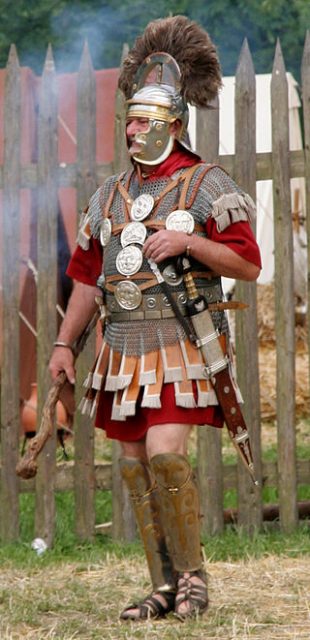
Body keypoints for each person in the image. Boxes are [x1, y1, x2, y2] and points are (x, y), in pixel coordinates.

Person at [49, 15, 261, 621]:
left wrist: (188, 242)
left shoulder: (204, 184)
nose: (132, 131)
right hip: (122, 348)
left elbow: (248, 263)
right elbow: (88, 278)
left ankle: (194, 579)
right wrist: (64, 344)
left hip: (182, 342)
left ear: (171, 125)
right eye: (129, 121)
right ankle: (162, 584)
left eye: (142, 122)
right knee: (135, 466)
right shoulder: (109, 196)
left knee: (167, 454)